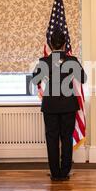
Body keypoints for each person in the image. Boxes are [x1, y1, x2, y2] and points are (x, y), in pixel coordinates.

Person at [31, 31, 86, 181]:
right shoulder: (72, 60)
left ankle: (55, 173)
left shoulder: (44, 61)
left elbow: (35, 80)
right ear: (64, 44)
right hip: (68, 105)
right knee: (66, 138)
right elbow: (83, 78)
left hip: (50, 105)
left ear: (50, 45)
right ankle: (64, 172)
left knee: (52, 139)